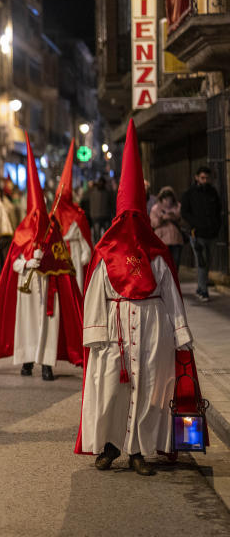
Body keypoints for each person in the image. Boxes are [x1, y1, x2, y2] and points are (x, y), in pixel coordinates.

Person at [76, 120, 198, 476]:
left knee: (150, 389)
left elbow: (171, 294)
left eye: (135, 216)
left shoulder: (156, 253)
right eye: (125, 216)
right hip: (114, 330)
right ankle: (110, 446)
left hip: (152, 327)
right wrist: (96, 334)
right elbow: (96, 293)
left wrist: (180, 334)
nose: (130, 223)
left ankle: (139, 450)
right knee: (111, 389)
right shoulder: (105, 252)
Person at [0, 134, 83, 381]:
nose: (37, 219)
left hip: (49, 288)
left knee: (49, 326)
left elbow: (62, 261)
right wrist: (27, 262)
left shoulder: (53, 233)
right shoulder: (22, 233)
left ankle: (46, 364)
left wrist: (46, 260)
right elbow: (12, 263)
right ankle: (26, 360)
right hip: (26, 289)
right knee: (26, 325)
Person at [50, 142, 93, 293]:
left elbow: (85, 244)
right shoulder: (52, 217)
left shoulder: (78, 217)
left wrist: (83, 258)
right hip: (58, 259)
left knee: (75, 290)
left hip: (74, 258)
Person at [181, 166, 221, 302]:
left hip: (211, 233)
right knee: (202, 262)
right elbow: (184, 212)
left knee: (207, 262)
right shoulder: (190, 193)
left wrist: (216, 226)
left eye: (207, 178)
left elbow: (218, 211)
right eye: (203, 178)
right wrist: (195, 224)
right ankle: (204, 290)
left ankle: (200, 287)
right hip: (197, 234)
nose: (205, 180)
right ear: (197, 177)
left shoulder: (212, 192)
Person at [150, 186, 184, 269]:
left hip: (176, 239)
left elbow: (183, 221)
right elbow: (153, 223)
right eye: (166, 199)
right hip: (161, 239)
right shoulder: (155, 209)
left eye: (170, 199)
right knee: (163, 265)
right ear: (161, 199)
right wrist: (162, 218)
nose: (168, 201)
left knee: (175, 264)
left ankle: (174, 280)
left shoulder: (178, 207)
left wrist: (174, 217)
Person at [87, 177, 114, 242]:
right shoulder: (108, 192)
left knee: (97, 236)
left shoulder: (92, 191)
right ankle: (104, 249)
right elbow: (112, 204)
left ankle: (97, 249)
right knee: (106, 236)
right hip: (105, 216)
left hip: (97, 217)